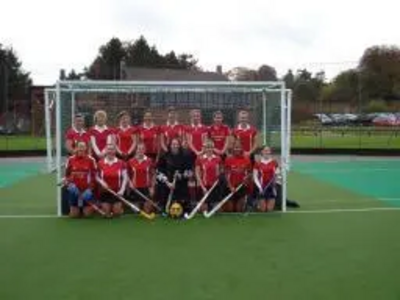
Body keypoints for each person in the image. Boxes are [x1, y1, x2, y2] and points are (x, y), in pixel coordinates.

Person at [156, 138, 194, 212]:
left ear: (179, 145)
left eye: (176, 144)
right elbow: (158, 173)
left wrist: (181, 175)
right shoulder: (164, 156)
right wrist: (167, 183)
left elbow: (190, 172)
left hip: (182, 185)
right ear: (170, 145)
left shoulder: (185, 156)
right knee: (166, 208)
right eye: (173, 144)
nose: (175, 146)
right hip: (168, 186)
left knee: (184, 207)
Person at [63, 141, 97, 218]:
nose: (81, 148)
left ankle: (94, 204)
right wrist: (69, 184)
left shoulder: (91, 160)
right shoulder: (70, 159)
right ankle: (77, 207)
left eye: (83, 146)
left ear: (86, 148)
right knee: (74, 215)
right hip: (74, 190)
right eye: (79, 146)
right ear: (76, 148)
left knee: (87, 215)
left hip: (86, 191)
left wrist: (90, 189)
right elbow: (67, 175)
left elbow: (94, 176)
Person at [97, 143, 128, 218]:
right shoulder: (100, 163)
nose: (110, 151)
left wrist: (122, 190)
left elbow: (125, 177)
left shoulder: (121, 163)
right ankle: (107, 208)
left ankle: (118, 208)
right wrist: (102, 182)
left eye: (112, 149)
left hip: (117, 192)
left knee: (117, 213)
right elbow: (96, 176)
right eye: (108, 149)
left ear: (115, 151)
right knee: (106, 213)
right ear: (106, 151)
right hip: (105, 192)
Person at [224, 139, 252, 212]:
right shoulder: (228, 159)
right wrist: (230, 186)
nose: (237, 149)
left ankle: (245, 203)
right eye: (236, 147)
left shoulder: (246, 159)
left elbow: (250, 173)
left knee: (238, 210)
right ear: (233, 148)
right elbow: (226, 174)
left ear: (241, 148)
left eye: (239, 147)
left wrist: (247, 177)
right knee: (230, 210)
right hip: (231, 187)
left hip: (241, 186)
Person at [195, 139, 223, 212]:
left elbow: (220, 171)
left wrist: (218, 180)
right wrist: (202, 187)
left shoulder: (218, 158)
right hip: (204, 186)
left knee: (218, 210)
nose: (209, 149)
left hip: (215, 186)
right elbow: (197, 174)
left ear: (213, 148)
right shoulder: (200, 158)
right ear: (204, 148)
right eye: (207, 147)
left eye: (211, 147)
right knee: (203, 210)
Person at [127, 143, 155, 214]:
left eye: (142, 149)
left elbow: (153, 174)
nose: (140, 151)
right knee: (136, 211)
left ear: (145, 150)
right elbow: (127, 175)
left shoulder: (149, 161)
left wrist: (152, 187)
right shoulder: (131, 161)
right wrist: (130, 183)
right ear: (136, 150)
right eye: (139, 149)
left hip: (146, 188)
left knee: (147, 211)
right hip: (135, 189)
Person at [253, 146, 278, 212]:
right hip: (261, 187)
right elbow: (255, 177)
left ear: (270, 152)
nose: (267, 152)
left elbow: (277, 174)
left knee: (269, 210)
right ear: (262, 152)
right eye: (265, 150)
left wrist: (278, 173)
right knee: (263, 210)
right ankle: (257, 205)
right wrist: (260, 187)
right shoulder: (258, 163)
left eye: (268, 150)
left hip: (271, 188)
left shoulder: (274, 162)